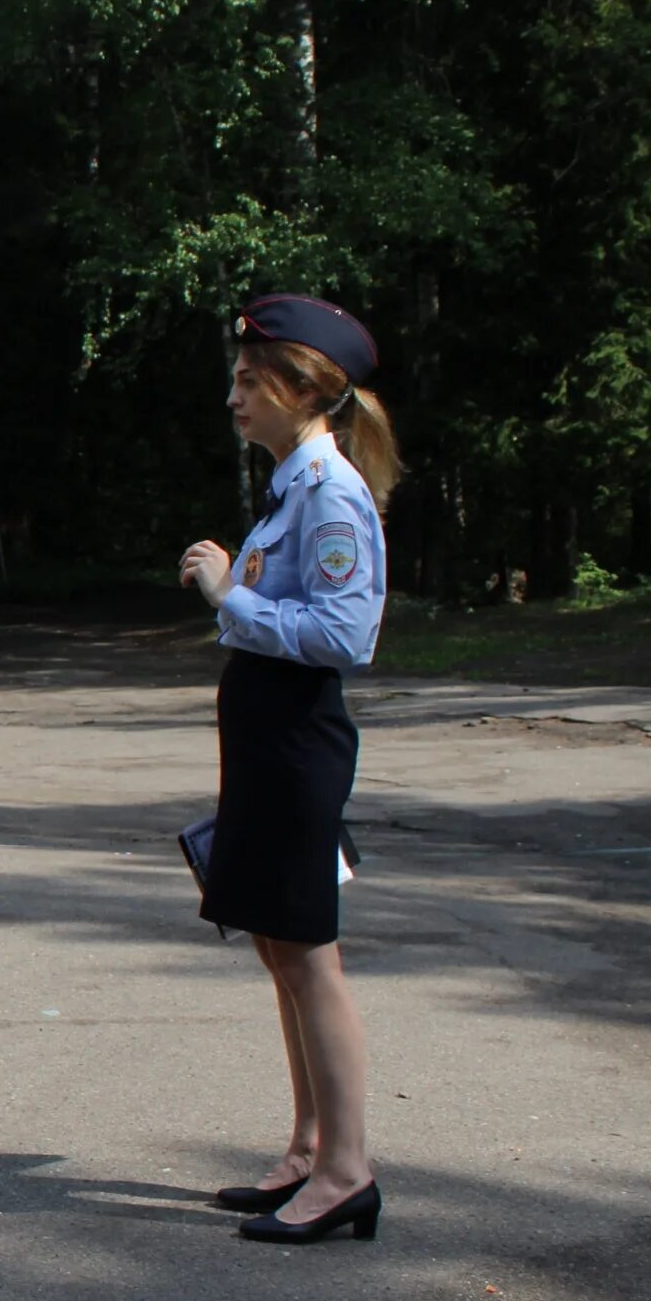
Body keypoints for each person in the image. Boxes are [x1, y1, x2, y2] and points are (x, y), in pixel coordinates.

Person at [176, 293, 400, 1246]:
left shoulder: (332, 493)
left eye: (247, 380)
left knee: (311, 956)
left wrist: (233, 596)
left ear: (298, 389)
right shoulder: (290, 489)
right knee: (279, 950)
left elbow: (348, 636)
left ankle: (348, 1170)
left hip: (300, 743)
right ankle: (310, 1148)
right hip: (269, 743)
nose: (233, 396)